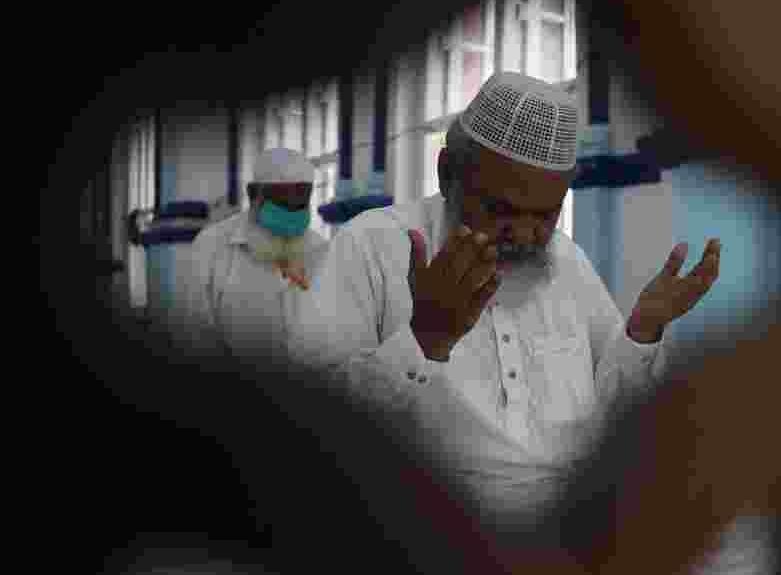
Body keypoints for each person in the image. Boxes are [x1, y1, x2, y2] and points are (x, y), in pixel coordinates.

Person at [289, 71, 721, 540]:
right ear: (447, 173)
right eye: (501, 209)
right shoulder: (376, 246)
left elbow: (611, 410)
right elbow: (311, 426)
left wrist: (642, 331)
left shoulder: (565, 260)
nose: (527, 233)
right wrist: (424, 340)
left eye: (545, 214)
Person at [178, 147, 329, 369]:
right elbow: (193, 334)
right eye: (281, 200)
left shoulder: (319, 251)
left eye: (300, 200)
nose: (291, 210)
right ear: (252, 194)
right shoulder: (212, 247)